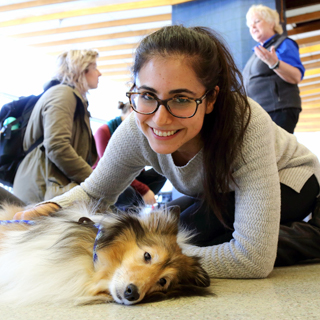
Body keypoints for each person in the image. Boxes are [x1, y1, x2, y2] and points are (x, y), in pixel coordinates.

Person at [11, 25, 320, 279]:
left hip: (294, 178)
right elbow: (94, 193)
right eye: (147, 95)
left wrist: (143, 259)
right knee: (168, 227)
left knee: (195, 235)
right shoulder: (135, 129)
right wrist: (48, 208)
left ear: (211, 99)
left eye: (181, 99)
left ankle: (314, 236)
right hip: (220, 191)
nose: (160, 119)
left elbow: (251, 260)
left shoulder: (245, 123)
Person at [12, 49, 100, 204]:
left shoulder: (68, 95)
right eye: (95, 67)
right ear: (82, 69)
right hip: (43, 187)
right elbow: (57, 146)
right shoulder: (63, 94)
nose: (99, 73)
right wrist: (97, 182)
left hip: (48, 184)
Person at [243, 4, 305, 134]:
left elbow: (296, 76)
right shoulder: (259, 51)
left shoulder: (283, 43)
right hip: (262, 112)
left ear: (271, 24)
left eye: (257, 21)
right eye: (250, 25)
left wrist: (274, 64)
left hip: (279, 110)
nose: (252, 27)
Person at [93, 101, 166, 207]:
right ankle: (132, 207)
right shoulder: (103, 131)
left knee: (162, 172)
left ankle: (133, 208)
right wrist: (144, 189)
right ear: (133, 110)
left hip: (133, 176)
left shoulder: (137, 131)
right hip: (111, 178)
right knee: (129, 193)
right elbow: (112, 169)